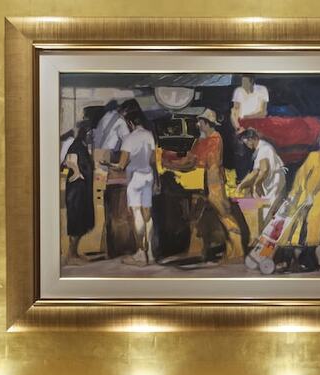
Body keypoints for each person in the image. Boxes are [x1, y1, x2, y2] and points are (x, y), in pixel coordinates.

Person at [164, 109, 245, 263]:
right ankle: (196, 250)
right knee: (196, 217)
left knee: (224, 215)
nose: (198, 124)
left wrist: (170, 164)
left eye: (200, 122)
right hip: (201, 183)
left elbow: (193, 161)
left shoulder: (213, 139)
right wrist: (174, 161)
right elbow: (190, 159)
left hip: (213, 183)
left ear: (207, 123)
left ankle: (237, 251)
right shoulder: (202, 140)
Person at [107, 110, 156, 266]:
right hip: (149, 175)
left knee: (137, 214)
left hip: (135, 179)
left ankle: (141, 253)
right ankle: (150, 253)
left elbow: (121, 165)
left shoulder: (129, 138)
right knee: (147, 214)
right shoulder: (149, 135)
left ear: (130, 123)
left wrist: (108, 165)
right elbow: (153, 160)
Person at [61, 124, 95, 265]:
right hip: (77, 189)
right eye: (90, 134)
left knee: (81, 221)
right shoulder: (76, 146)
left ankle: (74, 253)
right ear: (84, 134)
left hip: (82, 189)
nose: (91, 137)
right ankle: (71, 255)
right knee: (77, 220)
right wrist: (77, 172)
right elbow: (68, 162)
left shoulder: (82, 146)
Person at [237, 128, 286, 223]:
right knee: (266, 211)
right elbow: (255, 172)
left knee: (268, 213)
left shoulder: (264, 149)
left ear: (252, 139)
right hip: (270, 182)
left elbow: (264, 169)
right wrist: (242, 184)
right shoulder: (259, 149)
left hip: (275, 182)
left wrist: (256, 184)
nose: (246, 145)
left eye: (246, 142)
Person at [230, 76, 270, 180]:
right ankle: (242, 178)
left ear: (252, 81)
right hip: (242, 125)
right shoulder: (238, 91)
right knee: (240, 146)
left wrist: (247, 117)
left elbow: (263, 113)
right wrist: (237, 127)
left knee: (258, 147)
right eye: (242, 81)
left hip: (258, 124)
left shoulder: (262, 90)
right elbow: (234, 111)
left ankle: (257, 177)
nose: (243, 84)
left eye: (245, 81)